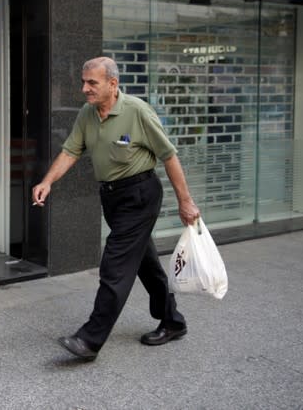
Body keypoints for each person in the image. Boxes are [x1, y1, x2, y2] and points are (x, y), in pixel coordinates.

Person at [32, 56, 199, 362]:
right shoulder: (87, 113)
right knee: (146, 264)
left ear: (113, 84)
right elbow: (71, 150)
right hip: (113, 198)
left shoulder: (136, 111)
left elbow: (169, 156)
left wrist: (185, 201)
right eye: (83, 82)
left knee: (115, 265)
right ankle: (173, 322)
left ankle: (90, 339)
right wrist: (48, 181)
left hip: (140, 195)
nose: (84, 88)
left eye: (92, 82)